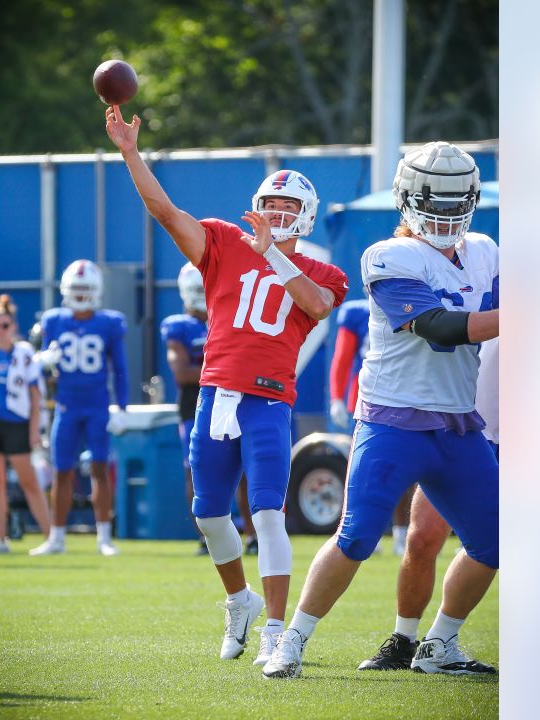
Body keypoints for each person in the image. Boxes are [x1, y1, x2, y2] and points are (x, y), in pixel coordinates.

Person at [106, 104, 348, 666]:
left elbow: (314, 305)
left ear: (306, 217)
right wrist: (130, 153)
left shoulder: (321, 272)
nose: (277, 214)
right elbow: (164, 211)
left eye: (289, 208)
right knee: (209, 513)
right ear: (255, 209)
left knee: (267, 513)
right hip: (217, 394)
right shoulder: (222, 241)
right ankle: (238, 600)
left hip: (269, 399)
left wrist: (274, 258)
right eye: (270, 205)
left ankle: (275, 632)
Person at [264, 141, 499, 679]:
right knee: (356, 536)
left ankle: (440, 645)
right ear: (408, 199)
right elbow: (440, 325)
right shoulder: (386, 256)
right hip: (394, 421)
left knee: (495, 540)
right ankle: (291, 642)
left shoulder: (485, 249)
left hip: (458, 423)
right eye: (433, 201)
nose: (444, 213)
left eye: (453, 201)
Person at [356, 336, 500, 671]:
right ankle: (403, 639)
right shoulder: (486, 284)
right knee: (422, 537)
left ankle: (441, 640)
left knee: (493, 541)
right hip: (465, 428)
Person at [29, 260, 128, 556]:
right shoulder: (54, 320)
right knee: (62, 471)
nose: (82, 295)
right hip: (66, 405)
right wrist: (43, 362)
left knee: (99, 468)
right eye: (77, 289)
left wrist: (121, 407)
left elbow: (119, 367)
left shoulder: (109, 322)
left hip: (97, 404)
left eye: (86, 290)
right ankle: (56, 538)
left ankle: (104, 539)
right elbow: (41, 370)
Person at [162, 262, 257, 556]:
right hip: (196, 406)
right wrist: (224, 367)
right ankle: (208, 538)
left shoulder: (230, 317)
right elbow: (181, 373)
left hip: (236, 401)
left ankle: (252, 536)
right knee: (199, 472)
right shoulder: (179, 325)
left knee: (244, 472)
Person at [329, 298, 413, 555]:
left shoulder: (410, 305)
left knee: (406, 471)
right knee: (366, 471)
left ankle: (402, 534)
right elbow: (342, 358)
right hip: (367, 400)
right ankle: (364, 532)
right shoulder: (356, 313)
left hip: (406, 397)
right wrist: (336, 398)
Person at [0, 295, 53, 553]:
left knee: (29, 482)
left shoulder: (23, 354)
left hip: (16, 423)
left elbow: (36, 395)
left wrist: (34, 430)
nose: (0, 331)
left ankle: (52, 536)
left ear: (13, 327)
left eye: (5, 325)